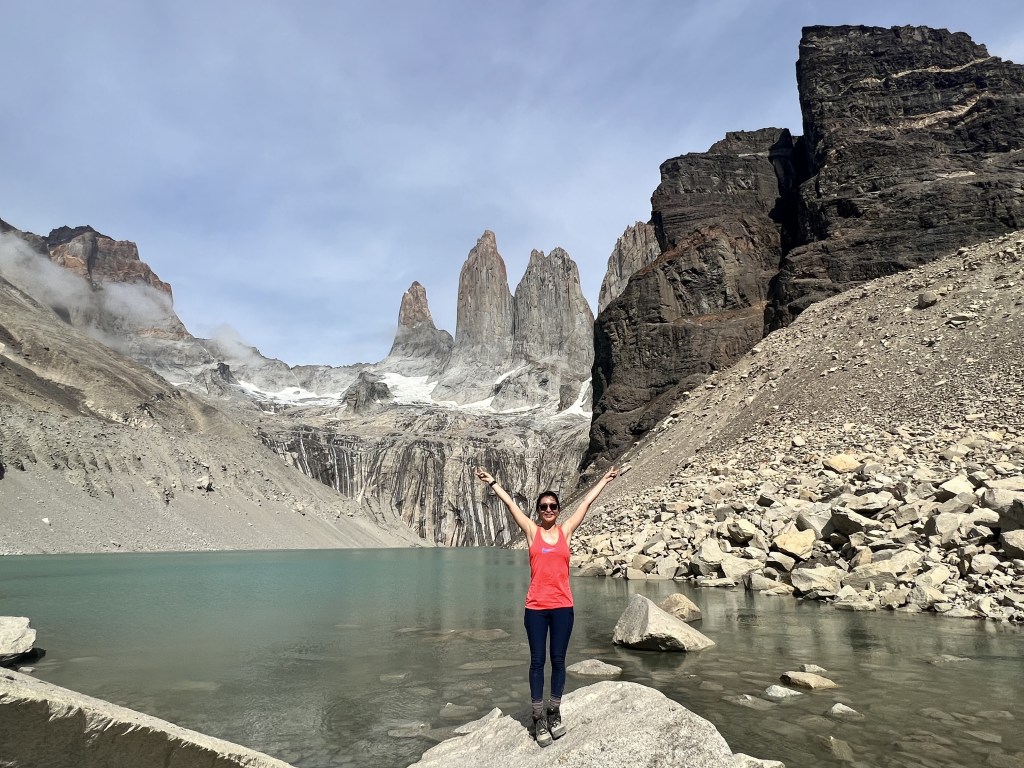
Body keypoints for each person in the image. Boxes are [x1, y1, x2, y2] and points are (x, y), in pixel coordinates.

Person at [475, 465, 618, 747]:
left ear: (558, 509)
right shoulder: (532, 532)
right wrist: (492, 482)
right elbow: (510, 505)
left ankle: (554, 711)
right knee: (538, 661)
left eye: (553, 506)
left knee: (559, 660)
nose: (548, 509)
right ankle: (538, 716)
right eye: (544, 506)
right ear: (539, 511)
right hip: (536, 608)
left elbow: (586, 503)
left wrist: (603, 480)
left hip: (563, 606)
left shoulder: (566, 531)